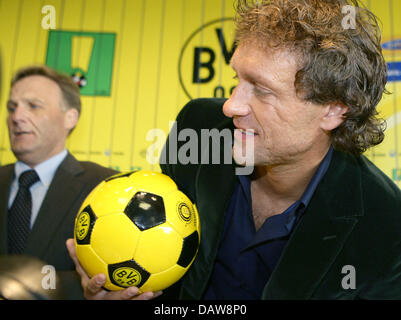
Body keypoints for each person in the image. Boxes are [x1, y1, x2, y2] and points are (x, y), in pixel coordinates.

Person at [67, 0, 401, 299]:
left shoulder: (386, 229)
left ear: (332, 110)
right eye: (237, 80)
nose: (231, 106)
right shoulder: (197, 128)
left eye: (262, 90)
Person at [0, 65, 117, 299]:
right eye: (12, 107)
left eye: (33, 106)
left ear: (70, 117)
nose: (17, 117)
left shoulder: (105, 188)